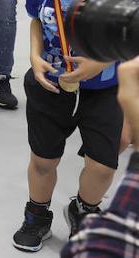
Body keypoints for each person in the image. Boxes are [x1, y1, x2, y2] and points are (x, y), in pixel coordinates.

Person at [14, 0, 125, 251]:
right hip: (50, 88)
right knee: (43, 160)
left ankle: (85, 210)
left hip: (103, 91)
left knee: (103, 166)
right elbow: (37, 22)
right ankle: (37, 214)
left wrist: (101, 62)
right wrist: (34, 57)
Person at [62, 54, 139, 256]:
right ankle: (83, 208)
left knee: (118, 144)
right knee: (120, 141)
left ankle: (83, 205)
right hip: (118, 67)